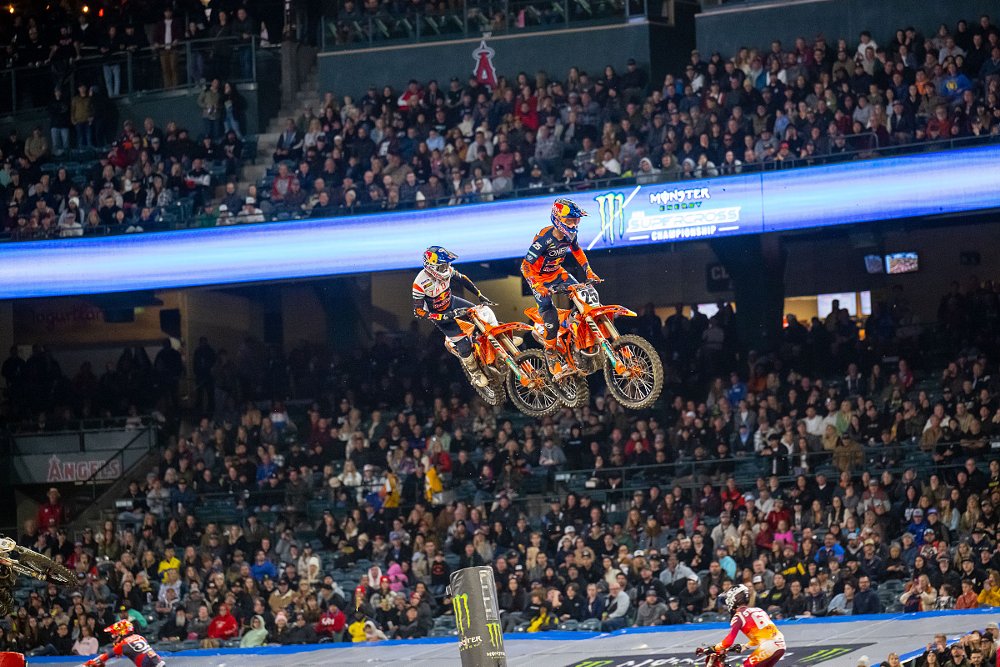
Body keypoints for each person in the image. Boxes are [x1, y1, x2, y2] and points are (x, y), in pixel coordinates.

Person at [520, 197, 600, 374]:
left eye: (576, 220)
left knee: (583, 296)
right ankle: (551, 353)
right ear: (557, 219)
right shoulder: (544, 239)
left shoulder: (570, 235)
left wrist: (588, 271)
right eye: (570, 220)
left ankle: (576, 336)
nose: (574, 224)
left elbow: (577, 251)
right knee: (550, 315)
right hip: (539, 279)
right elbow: (524, 266)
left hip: (558, 273)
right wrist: (536, 286)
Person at [411, 245, 494, 388]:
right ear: (431, 267)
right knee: (464, 345)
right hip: (439, 314)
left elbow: (462, 279)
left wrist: (479, 295)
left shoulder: (447, 270)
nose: (447, 268)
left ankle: (500, 338)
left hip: (452, 301)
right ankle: (474, 371)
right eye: (443, 266)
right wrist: (443, 317)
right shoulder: (419, 283)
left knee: (481, 313)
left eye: (447, 264)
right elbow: (418, 311)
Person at [713, 584, 786, 667]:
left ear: (732, 599)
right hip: (781, 645)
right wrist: (745, 646)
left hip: (768, 647)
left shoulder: (738, 616)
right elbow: (763, 635)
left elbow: (728, 641)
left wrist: (714, 648)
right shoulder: (758, 610)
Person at [83, 620, 165, 667]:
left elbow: (105, 657)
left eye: (115, 634)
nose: (113, 637)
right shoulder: (139, 637)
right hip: (159, 662)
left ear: (121, 633)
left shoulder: (123, 645)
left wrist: (87, 664)